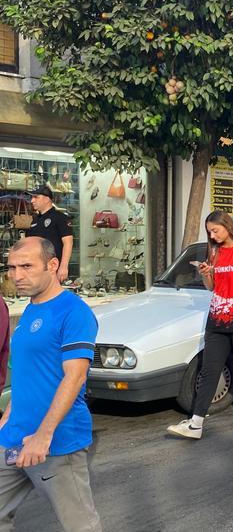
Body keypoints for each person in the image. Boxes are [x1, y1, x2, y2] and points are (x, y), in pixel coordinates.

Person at [0, 237, 102, 531]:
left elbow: (75, 376)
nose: (17, 275)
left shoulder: (74, 312)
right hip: (14, 438)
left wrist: (44, 436)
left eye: (27, 266)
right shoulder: (31, 308)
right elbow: (26, 374)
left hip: (57, 444)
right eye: (12, 267)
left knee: (80, 525)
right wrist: (7, 419)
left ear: (53, 265)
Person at [167, 211, 233, 439]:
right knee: (209, 370)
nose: (212, 236)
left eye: (215, 230)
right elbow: (212, 287)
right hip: (216, 320)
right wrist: (206, 274)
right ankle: (196, 423)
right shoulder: (214, 253)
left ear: (227, 226)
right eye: (209, 232)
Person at [25, 184, 73, 283]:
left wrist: (63, 267)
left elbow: (68, 243)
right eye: (31, 197)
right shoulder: (35, 220)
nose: (32, 200)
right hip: (36, 269)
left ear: (47, 199)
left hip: (53, 269)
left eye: (36, 197)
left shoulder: (60, 218)